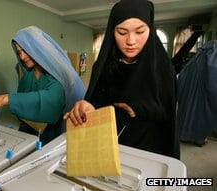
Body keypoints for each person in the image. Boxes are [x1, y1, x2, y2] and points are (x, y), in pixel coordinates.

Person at [64, 0, 180, 159]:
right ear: (112, 31)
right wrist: (87, 106)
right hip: (109, 145)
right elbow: (99, 103)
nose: (131, 41)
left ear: (150, 29)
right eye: (122, 32)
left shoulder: (162, 68)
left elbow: (168, 115)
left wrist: (140, 108)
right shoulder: (103, 66)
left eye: (140, 32)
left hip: (148, 150)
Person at [0, 26, 86, 145]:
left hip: (56, 135)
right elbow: (22, 104)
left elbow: (52, 101)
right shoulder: (28, 75)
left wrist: (4, 99)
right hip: (30, 134)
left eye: (25, 51)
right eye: (19, 52)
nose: (22, 57)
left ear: (38, 49)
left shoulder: (59, 75)